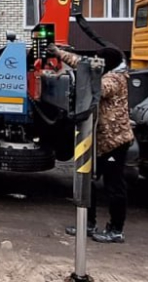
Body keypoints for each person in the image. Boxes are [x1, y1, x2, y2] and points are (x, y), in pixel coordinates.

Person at [53, 44, 134, 244]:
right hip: (99, 140)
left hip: (114, 143)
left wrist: (84, 75)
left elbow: (98, 88)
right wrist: (59, 53)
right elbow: (83, 64)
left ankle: (116, 230)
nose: (95, 63)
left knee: (114, 185)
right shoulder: (108, 71)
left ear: (107, 64)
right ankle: (88, 223)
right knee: (87, 181)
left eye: (99, 61)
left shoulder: (115, 79)